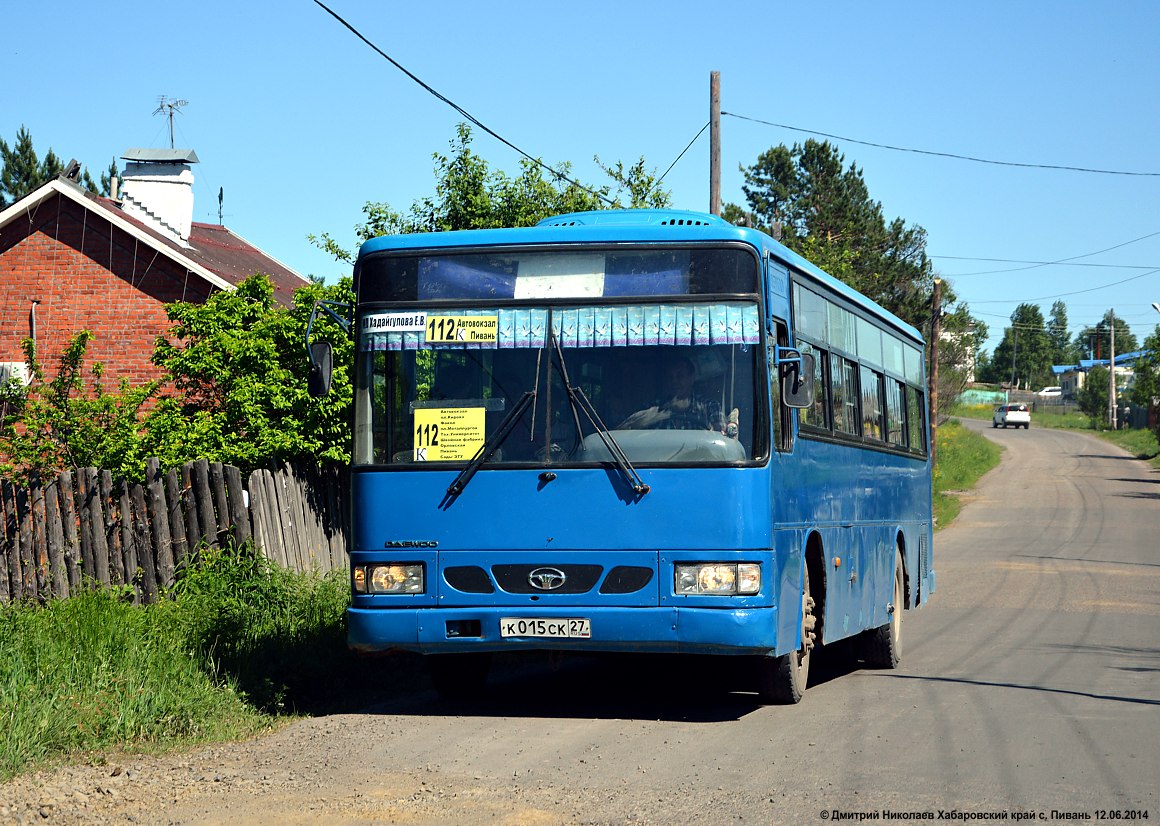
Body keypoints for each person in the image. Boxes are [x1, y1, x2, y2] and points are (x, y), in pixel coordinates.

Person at [620, 354, 724, 431]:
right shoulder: (650, 408)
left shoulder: (709, 407)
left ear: (692, 378)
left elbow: (720, 440)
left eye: (680, 376)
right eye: (670, 377)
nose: (674, 381)